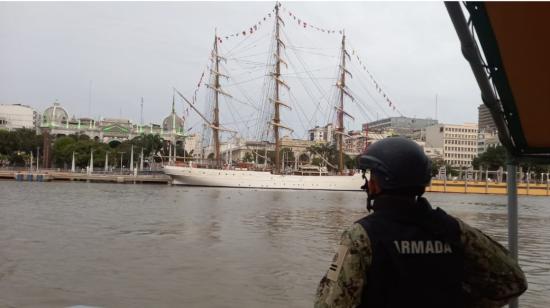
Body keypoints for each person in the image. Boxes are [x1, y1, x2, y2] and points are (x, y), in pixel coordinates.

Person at [314, 137, 527, 308]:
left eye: (372, 177)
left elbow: (332, 302)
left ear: (377, 185)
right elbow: (513, 281)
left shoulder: (362, 236)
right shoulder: (454, 230)